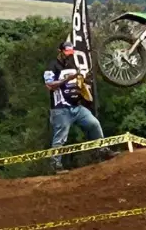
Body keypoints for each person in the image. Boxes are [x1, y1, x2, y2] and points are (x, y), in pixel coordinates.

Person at [44, 42, 104, 172]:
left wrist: (84, 85)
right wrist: (67, 79)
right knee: (60, 137)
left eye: (70, 53)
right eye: (66, 53)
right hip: (60, 108)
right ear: (59, 51)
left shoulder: (73, 64)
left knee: (94, 124)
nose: (68, 56)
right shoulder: (52, 66)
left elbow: (79, 80)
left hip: (77, 106)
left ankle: (102, 150)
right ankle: (56, 164)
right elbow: (49, 85)